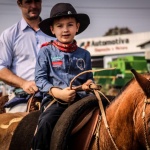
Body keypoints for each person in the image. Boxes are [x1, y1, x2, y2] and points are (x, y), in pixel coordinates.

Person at [32, 2, 94, 150]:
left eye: (70, 25)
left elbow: (89, 78)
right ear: (52, 30)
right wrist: (57, 92)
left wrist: (89, 85)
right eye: (60, 26)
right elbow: (40, 79)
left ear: (77, 27)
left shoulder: (84, 54)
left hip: (81, 100)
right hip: (55, 101)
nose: (65, 30)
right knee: (46, 123)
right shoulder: (46, 52)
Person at [0, 0, 55, 113]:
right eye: (28, 2)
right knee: (17, 127)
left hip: (55, 94)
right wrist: (24, 83)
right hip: (22, 97)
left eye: (37, 1)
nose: (33, 6)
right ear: (19, 4)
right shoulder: (9, 35)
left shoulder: (54, 32)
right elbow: (1, 68)